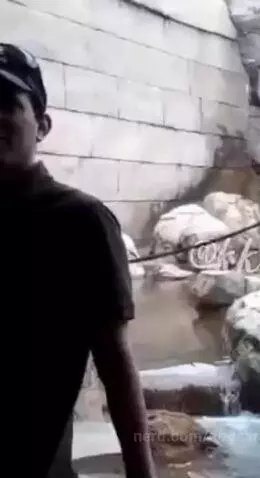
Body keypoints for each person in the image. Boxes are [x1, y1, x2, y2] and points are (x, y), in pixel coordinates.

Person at [0, 43, 157, 478]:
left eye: (6, 104)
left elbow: (116, 365)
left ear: (42, 126)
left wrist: (141, 472)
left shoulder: (81, 221)